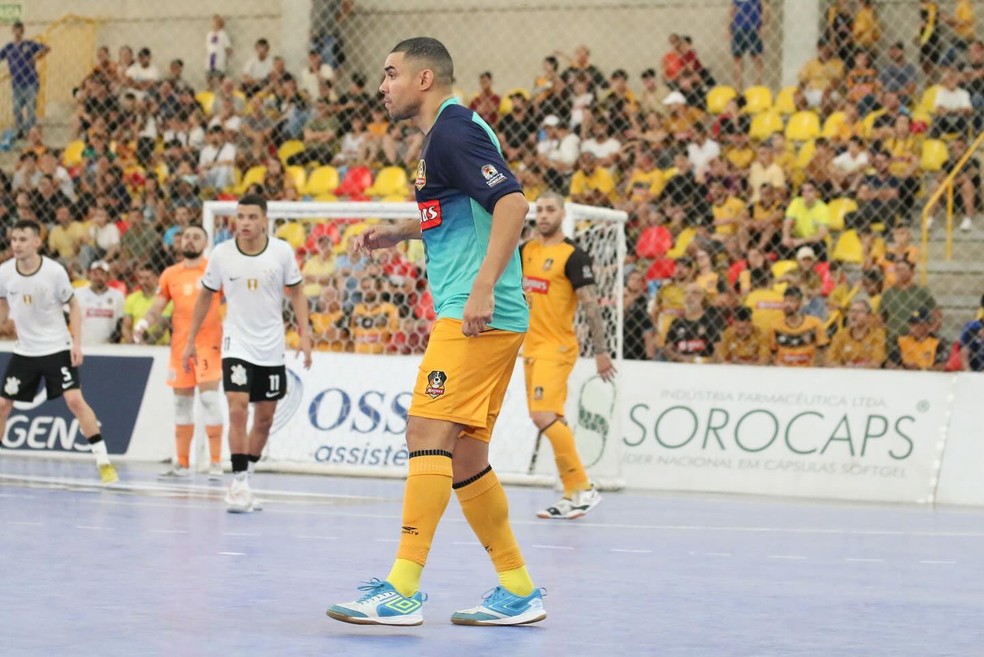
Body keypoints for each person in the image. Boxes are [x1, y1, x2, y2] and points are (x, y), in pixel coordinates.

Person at [327, 37, 545, 627]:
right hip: (487, 314)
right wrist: (401, 232)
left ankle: (402, 589)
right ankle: (518, 589)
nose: (382, 86)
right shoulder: (444, 137)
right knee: (467, 455)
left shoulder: (453, 131)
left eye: (391, 73)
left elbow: (513, 205)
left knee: (426, 429)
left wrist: (482, 287)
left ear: (424, 79)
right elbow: (461, 213)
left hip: (477, 313)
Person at [183, 195, 312, 511]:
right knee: (237, 408)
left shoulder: (281, 252)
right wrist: (190, 339)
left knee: (264, 419)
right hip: (236, 343)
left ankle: (247, 477)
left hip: (271, 346)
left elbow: (297, 293)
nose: (245, 223)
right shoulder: (221, 254)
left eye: (252, 217)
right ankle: (238, 481)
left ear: (264, 220)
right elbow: (205, 297)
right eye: (240, 216)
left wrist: (305, 334)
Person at [0, 220, 118, 484]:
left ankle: (104, 462)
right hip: (25, 351)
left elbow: (74, 306)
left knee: (74, 400)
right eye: (14, 239)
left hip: (57, 347)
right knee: (3, 405)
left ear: (37, 242)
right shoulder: (4, 272)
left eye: (23, 239)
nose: (17, 244)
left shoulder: (54, 272)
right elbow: (3, 302)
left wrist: (76, 343)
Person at [520, 191, 612, 519]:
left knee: (543, 415)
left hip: (556, 348)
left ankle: (584, 487)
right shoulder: (526, 251)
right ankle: (571, 493)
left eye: (550, 210)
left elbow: (590, 305)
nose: (544, 215)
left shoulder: (574, 256)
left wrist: (601, 351)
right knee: (551, 419)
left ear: (562, 214)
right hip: (530, 348)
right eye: (539, 210)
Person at [136, 225, 226, 480]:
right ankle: (183, 464)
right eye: (187, 237)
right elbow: (158, 306)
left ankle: (216, 463)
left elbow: (233, 300)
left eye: (196, 237)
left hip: (208, 345)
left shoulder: (214, 271)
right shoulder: (170, 274)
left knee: (209, 400)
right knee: (181, 405)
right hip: (180, 348)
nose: (190, 241)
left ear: (205, 244)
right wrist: (142, 324)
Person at [0, 22, 50, 139]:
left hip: (30, 82)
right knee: (16, 108)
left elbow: (46, 48)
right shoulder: (9, 47)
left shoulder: (29, 44)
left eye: (19, 30)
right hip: (17, 84)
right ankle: (20, 129)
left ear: (22, 31)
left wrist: (36, 57)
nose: (17, 32)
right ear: (12, 31)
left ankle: (30, 130)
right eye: (15, 30)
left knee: (31, 107)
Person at [770, 285, 827, 366]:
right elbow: (773, 353)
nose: (787, 304)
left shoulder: (814, 323)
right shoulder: (776, 326)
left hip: (808, 369)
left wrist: (814, 367)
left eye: (792, 301)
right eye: (785, 301)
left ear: (800, 303)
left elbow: (823, 351)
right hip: (784, 369)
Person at [75, 261, 125, 345]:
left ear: (108, 276)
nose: (98, 277)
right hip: (83, 343)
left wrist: (112, 341)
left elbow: (120, 322)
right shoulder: (78, 294)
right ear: (89, 275)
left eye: (102, 274)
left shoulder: (117, 296)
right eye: (95, 274)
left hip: (108, 345)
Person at [826, 299, 886, 368]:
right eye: (852, 311)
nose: (854, 315)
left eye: (859, 312)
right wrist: (844, 368)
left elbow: (876, 362)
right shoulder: (840, 335)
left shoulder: (877, 334)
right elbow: (829, 361)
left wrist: (856, 368)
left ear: (868, 316)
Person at [730, 0, 766, 90]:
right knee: (737, 58)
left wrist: (763, 25)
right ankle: (738, 87)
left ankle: (758, 84)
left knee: (756, 57)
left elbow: (765, 8)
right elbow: (732, 9)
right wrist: (729, 27)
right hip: (738, 28)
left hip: (753, 28)